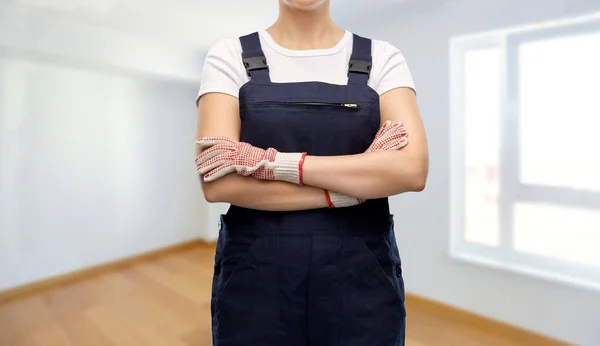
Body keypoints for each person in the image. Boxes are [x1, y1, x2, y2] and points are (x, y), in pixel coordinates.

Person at [194, 0, 429, 345]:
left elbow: (411, 170)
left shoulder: (383, 58)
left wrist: (274, 164)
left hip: (361, 280)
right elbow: (217, 182)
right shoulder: (228, 56)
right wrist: (350, 189)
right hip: (255, 280)